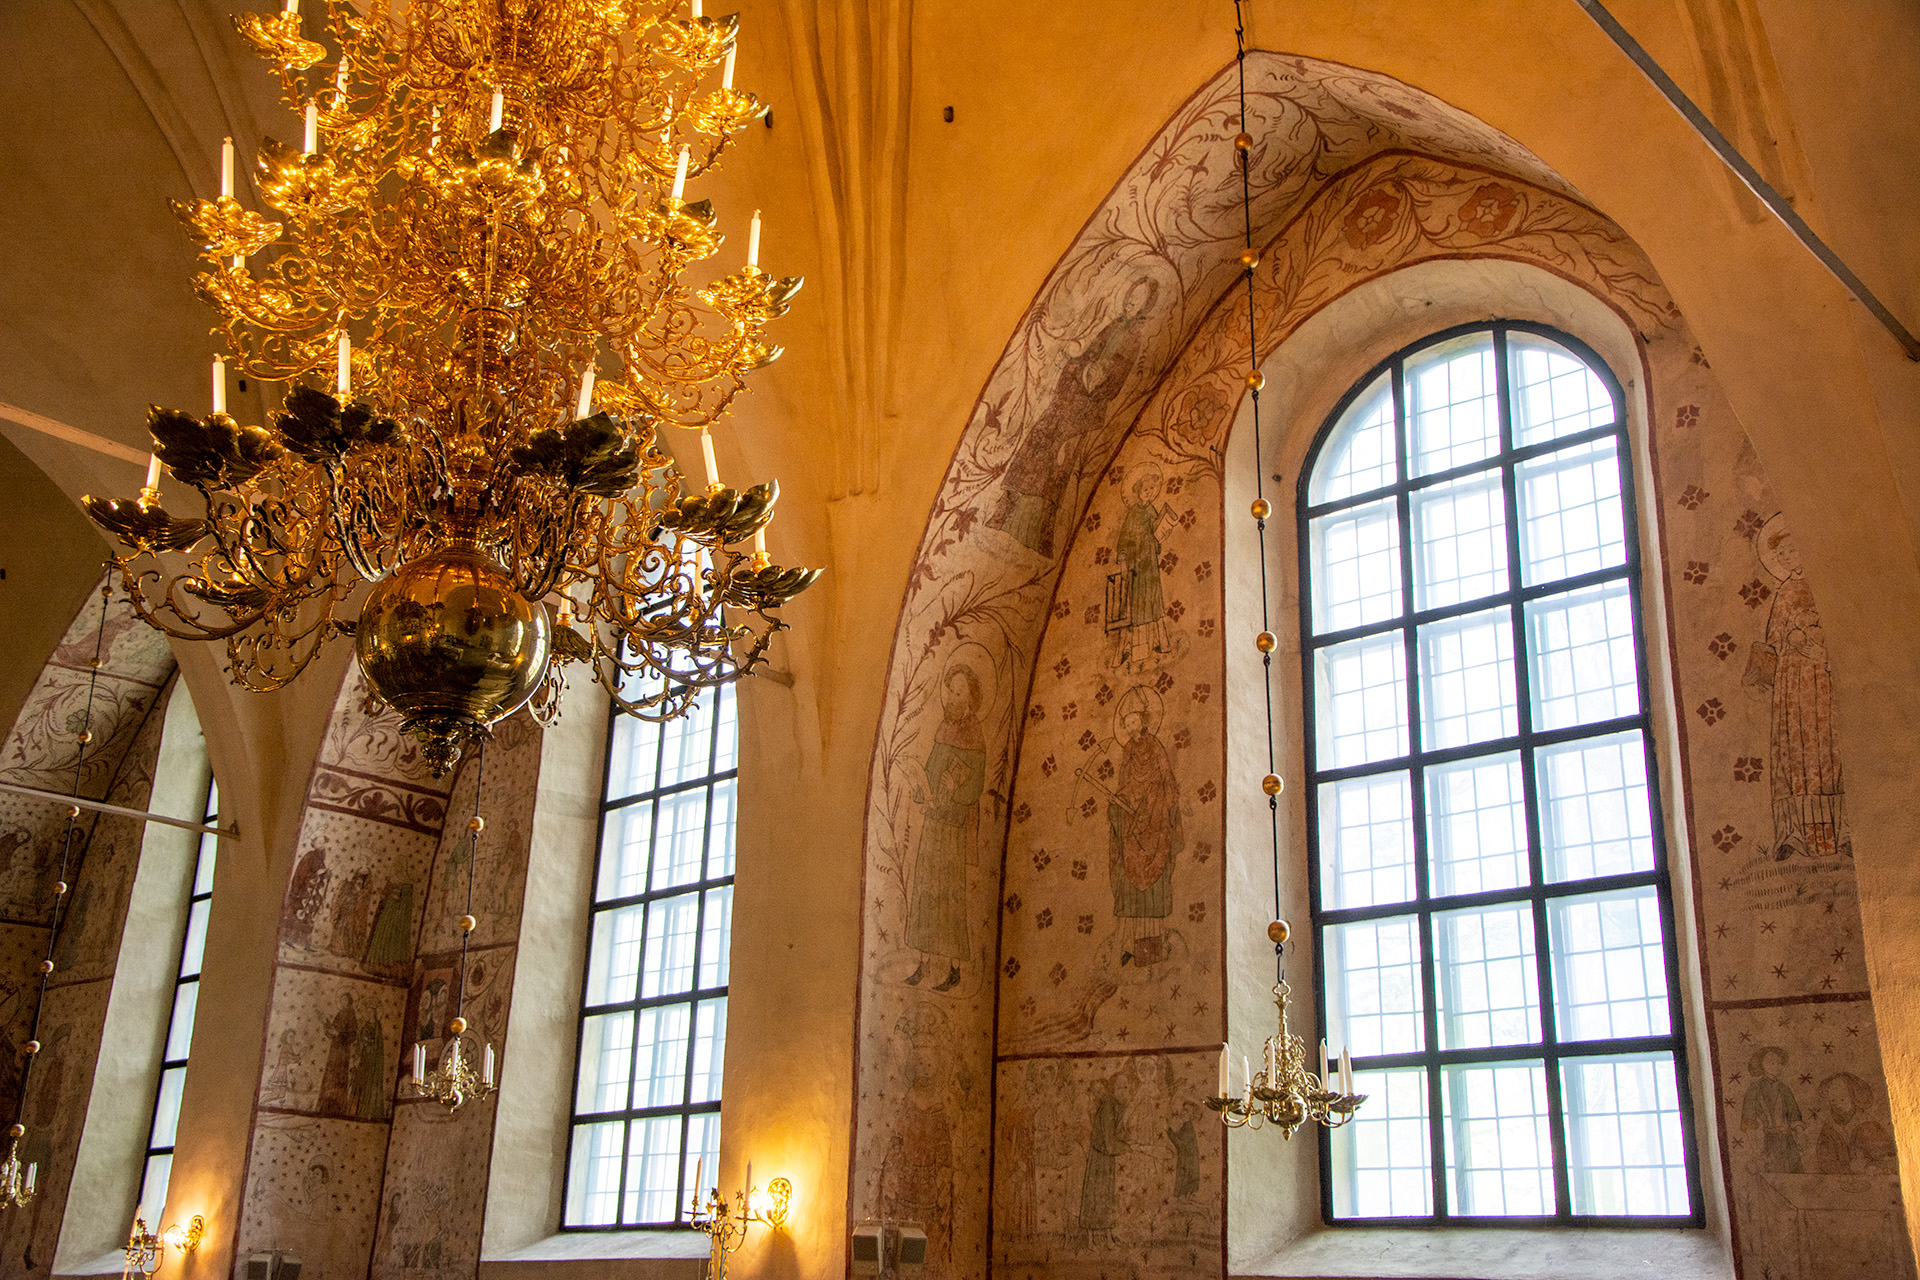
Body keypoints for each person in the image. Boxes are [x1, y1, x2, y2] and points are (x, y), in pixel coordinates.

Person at [989, 278, 1160, 557]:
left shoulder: (1133, 339)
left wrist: (1096, 376)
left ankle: (1034, 531)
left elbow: (1114, 381)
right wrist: (1077, 362)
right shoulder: (1113, 326)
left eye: (1138, 299)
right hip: (1068, 399)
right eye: (1132, 295)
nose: (1131, 301)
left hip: (1085, 411)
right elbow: (1090, 356)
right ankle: (1005, 512)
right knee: (1035, 445)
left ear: (1145, 306)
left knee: (1057, 462)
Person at [1744, 515, 1850, 859]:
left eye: (1792, 550)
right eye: (1782, 554)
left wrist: (1819, 643)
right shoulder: (1784, 593)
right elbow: (1773, 638)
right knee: (1794, 752)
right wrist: (1762, 667)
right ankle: (1793, 835)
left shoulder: (1826, 586)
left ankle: (1842, 834)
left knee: (1827, 748)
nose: (1787, 557)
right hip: (1792, 682)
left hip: (1821, 677)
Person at [905, 663, 987, 992]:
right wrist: (919, 785)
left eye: (959, 691)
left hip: (953, 824)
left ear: (970, 697)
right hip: (933, 819)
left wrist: (957, 787)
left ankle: (953, 968)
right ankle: (923, 963)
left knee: (950, 894)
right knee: (925, 888)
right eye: (950, 690)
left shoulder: (975, 734)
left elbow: (976, 785)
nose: (952, 697)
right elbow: (931, 768)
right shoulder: (943, 728)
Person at [1106, 687, 1182, 966]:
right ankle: (1127, 946)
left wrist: (1154, 801)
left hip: (1155, 822)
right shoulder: (1128, 750)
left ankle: (1151, 953)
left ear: (1144, 720)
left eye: (1133, 720)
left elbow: (1167, 781)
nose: (1129, 726)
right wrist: (1119, 801)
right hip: (1132, 826)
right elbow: (1125, 782)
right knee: (1128, 882)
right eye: (1126, 723)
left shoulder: (1155, 747)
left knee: (1154, 886)